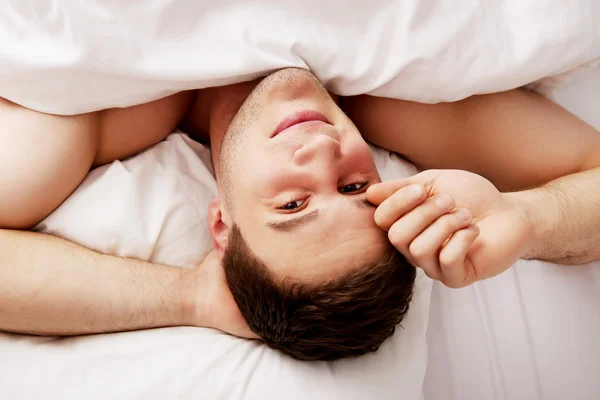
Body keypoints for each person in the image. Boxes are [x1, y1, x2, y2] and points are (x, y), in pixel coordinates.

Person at [1, 68, 599, 360]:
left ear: (220, 226)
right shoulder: (390, 99)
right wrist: (526, 220)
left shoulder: (88, 120)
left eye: (293, 204)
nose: (321, 151)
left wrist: (189, 297)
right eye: (357, 184)